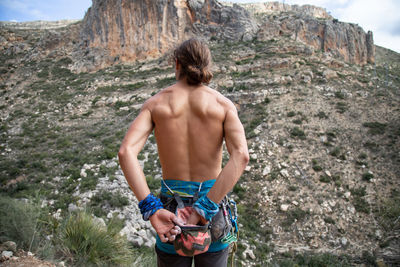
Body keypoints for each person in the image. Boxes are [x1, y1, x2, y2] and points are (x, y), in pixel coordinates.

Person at [118, 38, 249, 267]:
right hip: (212, 207)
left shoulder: (156, 104)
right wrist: (205, 207)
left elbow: (126, 152)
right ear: (207, 65)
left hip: (170, 211)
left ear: (177, 64)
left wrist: (150, 207)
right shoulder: (223, 105)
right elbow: (241, 156)